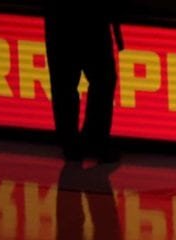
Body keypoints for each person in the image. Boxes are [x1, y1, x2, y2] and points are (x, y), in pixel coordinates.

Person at [43, 1, 124, 163]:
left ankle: (73, 143)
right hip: (90, 18)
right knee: (101, 79)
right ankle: (90, 140)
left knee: (65, 84)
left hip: (63, 19)